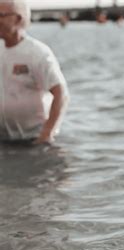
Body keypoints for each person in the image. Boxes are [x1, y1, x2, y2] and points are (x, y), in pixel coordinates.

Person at [0, 0, 69, 144]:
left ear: (18, 18)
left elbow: (61, 93)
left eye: (1, 15)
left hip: (35, 141)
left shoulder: (37, 53)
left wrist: (46, 134)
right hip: (5, 140)